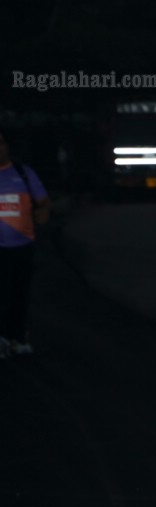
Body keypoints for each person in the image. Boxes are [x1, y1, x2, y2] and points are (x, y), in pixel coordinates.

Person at [0, 129, 51, 358]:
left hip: (23, 248)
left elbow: (43, 201)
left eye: (0, 143)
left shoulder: (23, 173)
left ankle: (18, 337)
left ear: (8, 146)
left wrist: (44, 212)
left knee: (20, 294)